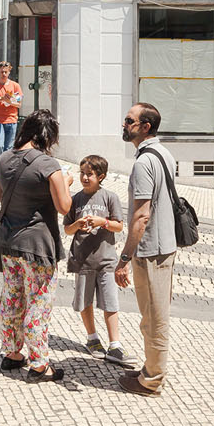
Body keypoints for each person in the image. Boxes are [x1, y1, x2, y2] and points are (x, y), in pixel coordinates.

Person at [0, 108, 72, 381]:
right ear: (47, 136)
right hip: (38, 245)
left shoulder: (3, 159)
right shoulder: (48, 165)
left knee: (12, 297)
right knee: (39, 301)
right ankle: (39, 362)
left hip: (8, 242)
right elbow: (64, 207)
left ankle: (12, 352)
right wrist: (66, 182)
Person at [115, 102, 177, 397]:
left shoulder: (143, 163)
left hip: (151, 249)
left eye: (129, 120)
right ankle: (151, 369)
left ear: (145, 127)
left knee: (153, 318)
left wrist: (125, 257)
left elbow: (141, 216)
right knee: (155, 314)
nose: (124, 124)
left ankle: (151, 380)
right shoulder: (163, 153)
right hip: (166, 245)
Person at [64, 155, 138, 367]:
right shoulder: (75, 200)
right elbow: (67, 230)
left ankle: (115, 344)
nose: (85, 178)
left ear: (101, 176)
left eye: (90, 174)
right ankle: (92, 338)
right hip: (82, 261)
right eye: (82, 173)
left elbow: (119, 226)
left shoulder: (109, 197)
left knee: (110, 301)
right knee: (84, 301)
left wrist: (102, 222)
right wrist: (77, 225)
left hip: (106, 260)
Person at [0, 61, 23, 165]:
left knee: (9, 148)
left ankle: (6, 169)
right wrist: (1, 99)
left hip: (12, 119)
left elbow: (19, 104)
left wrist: (10, 101)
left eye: (6, 72)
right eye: (2, 72)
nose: (4, 74)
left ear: (9, 72)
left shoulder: (15, 86)